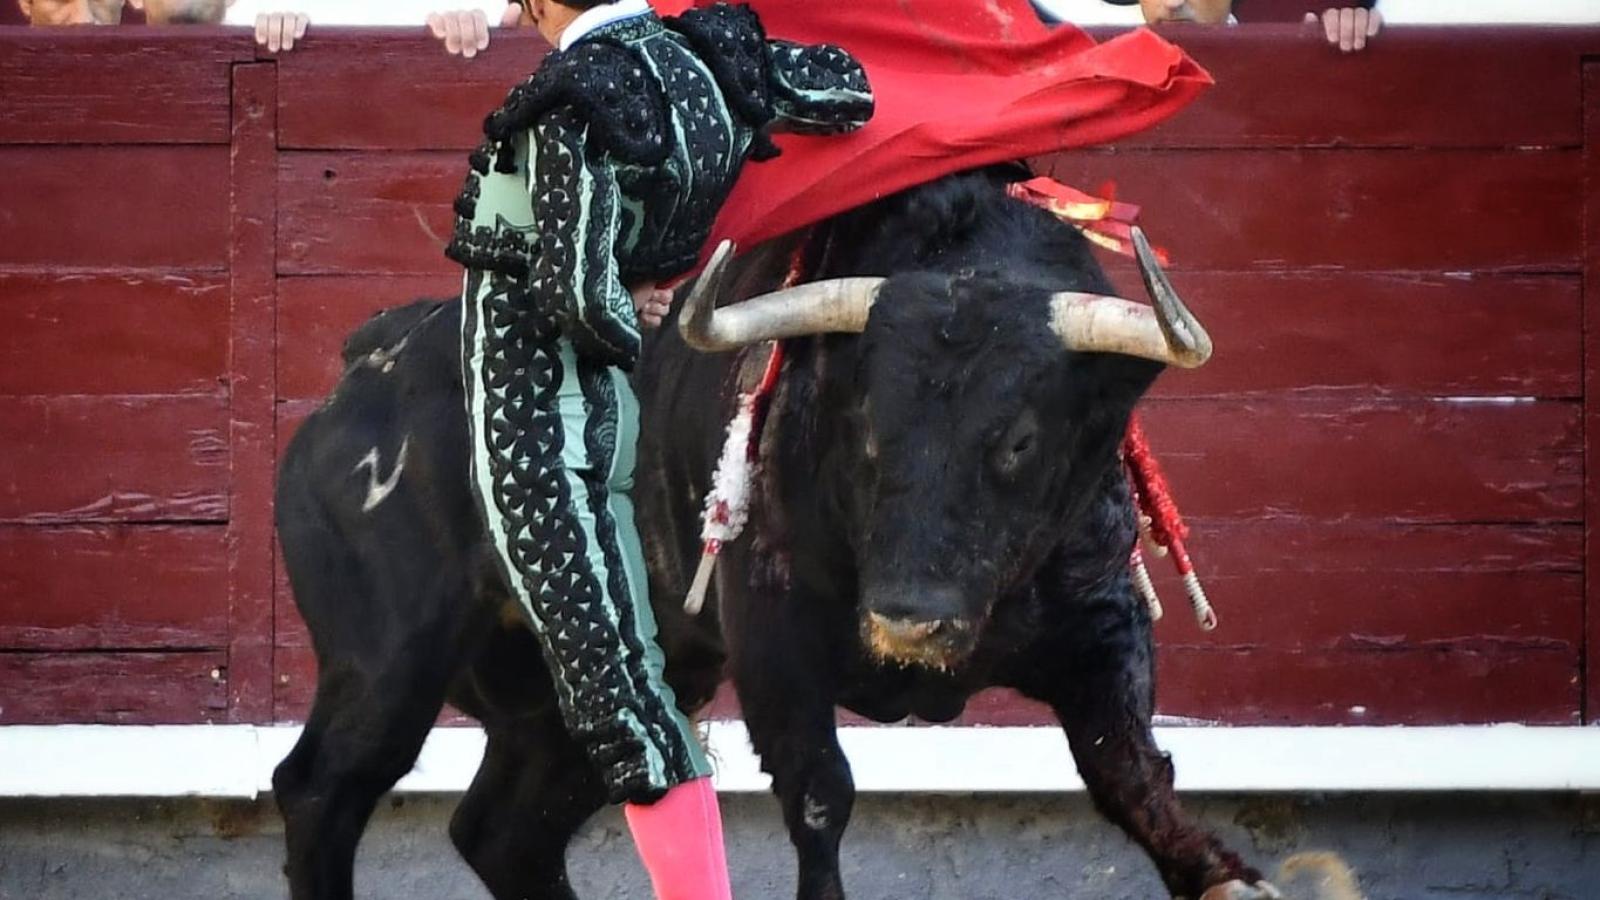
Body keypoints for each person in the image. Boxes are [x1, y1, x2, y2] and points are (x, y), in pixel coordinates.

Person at [445, 0, 871, 897]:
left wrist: (623, 295)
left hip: (532, 422)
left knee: (623, 697)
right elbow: (849, 91)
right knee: (640, 679)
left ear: (532, 6)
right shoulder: (717, 55)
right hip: (629, 407)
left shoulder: (567, 97)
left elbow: (574, 296)